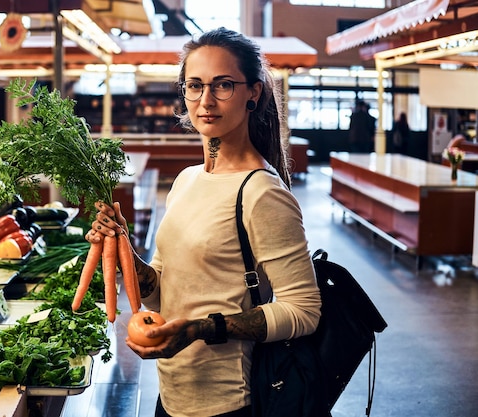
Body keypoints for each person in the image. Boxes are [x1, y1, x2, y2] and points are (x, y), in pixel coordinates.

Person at [86, 27, 321, 417]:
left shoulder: (262, 192)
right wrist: (121, 246)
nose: (206, 100)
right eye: (194, 85)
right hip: (172, 396)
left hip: (231, 404)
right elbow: (161, 292)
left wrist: (200, 329)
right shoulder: (187, 180)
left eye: (223, 85)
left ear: (254, 93)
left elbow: (304, 310)